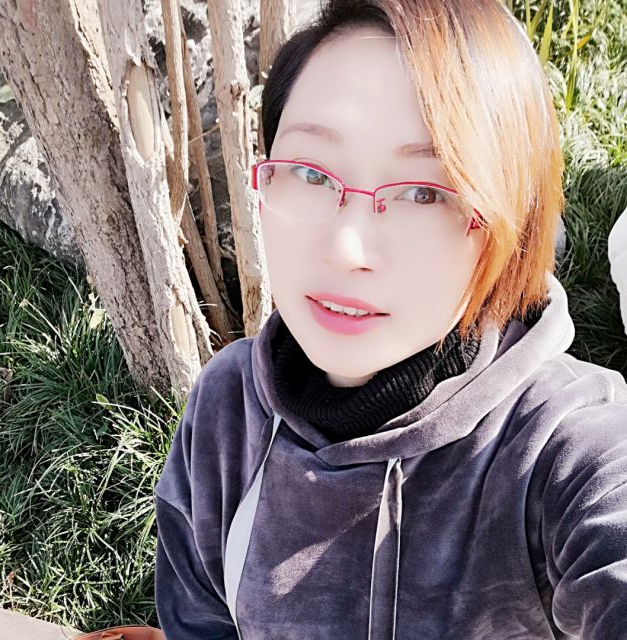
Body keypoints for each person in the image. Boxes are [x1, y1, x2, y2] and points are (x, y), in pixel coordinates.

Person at [154, 1, 627, 638]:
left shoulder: (561, 449)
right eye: (310, 172)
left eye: (424, 193)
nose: (346, 248)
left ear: (509, 225)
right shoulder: (225, 414)